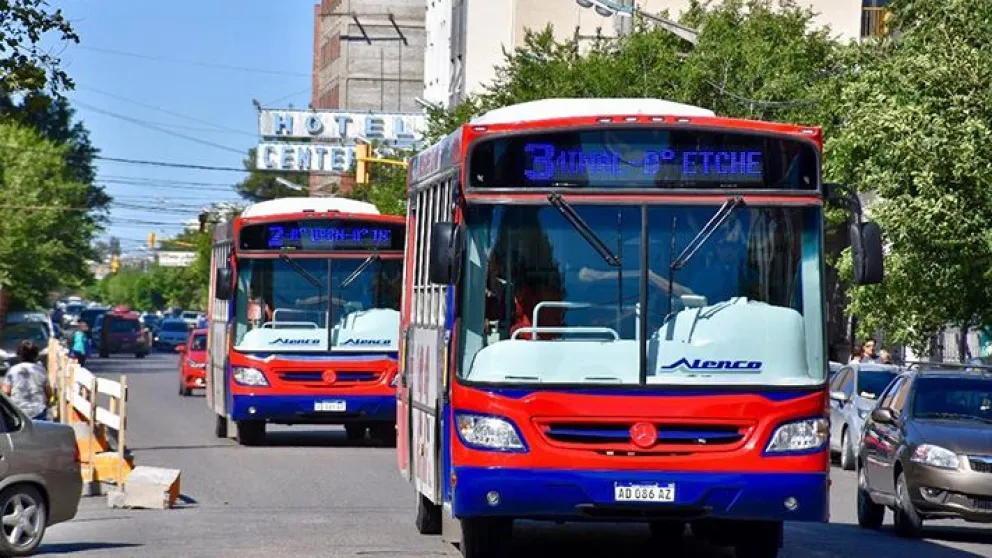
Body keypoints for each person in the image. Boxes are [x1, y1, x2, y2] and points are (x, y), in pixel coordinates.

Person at [2, 341, 53, 421]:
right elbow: (48, 392)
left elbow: (6, 392)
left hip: (18, 411)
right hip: (38, 411)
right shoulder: (41, 370)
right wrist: (48, 402)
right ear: (36, 355)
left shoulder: (12, 371)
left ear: (19, 355)